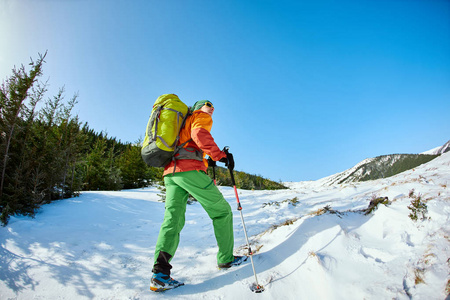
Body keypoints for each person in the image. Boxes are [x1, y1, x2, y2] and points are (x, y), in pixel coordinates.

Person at [150, 99, 247, 292]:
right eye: (208, 105)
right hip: (188, 171)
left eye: (212, 108)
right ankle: (226, 259)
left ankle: (160, 274)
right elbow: (198, 134)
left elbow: (190, 142)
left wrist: (206, 158)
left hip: (171, 174)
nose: (211, 110)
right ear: (198, 108)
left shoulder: (180, 125)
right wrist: (220, 156)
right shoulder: (199, 117)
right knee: (222, 212)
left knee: (172, 220)